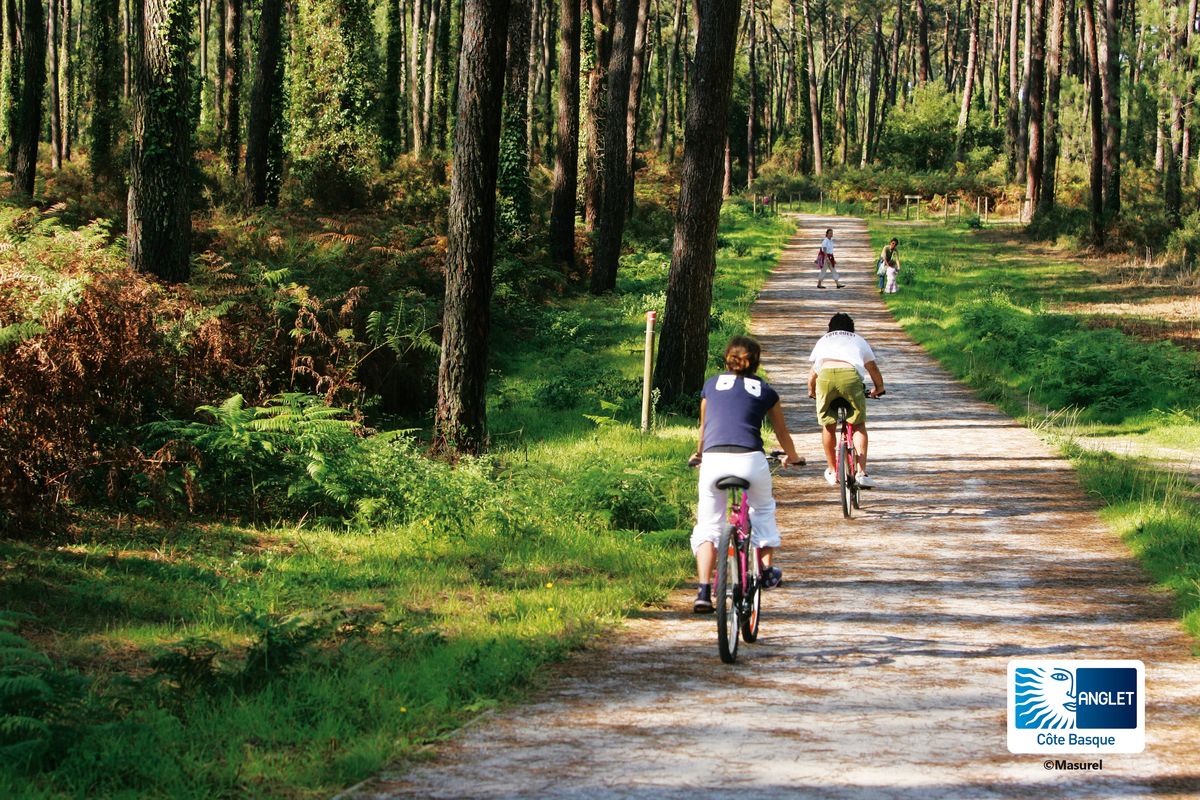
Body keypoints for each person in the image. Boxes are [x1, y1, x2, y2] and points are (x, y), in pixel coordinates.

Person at [690, 336, 802, 613]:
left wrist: (699, 454)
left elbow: (704, 428)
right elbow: (780, 432)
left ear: (727, 359)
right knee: (762, 510)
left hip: (714, 460)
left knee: (708, 524)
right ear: (757, 362)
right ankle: (764, 571)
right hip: (750, 460)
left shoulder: (711, 385)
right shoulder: (765, 390)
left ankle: (704, 591)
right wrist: (793, 456)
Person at [807, 313, 885, 489]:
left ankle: (832, 470)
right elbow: (871, 367)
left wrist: (812, 391)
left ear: (830, 328)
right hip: (850, 378)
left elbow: (813, 372)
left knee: (828, 425)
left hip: (825, 378)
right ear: (852, 328)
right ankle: (861, 473)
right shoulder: (858, 339)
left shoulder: (823, 340)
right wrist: (879, 388)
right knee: (858, 425)